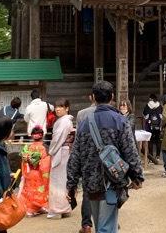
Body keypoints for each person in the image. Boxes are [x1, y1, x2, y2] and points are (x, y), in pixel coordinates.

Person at [67, 81, 144, 233]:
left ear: (94, 97)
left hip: (91, 182)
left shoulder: (83, 124)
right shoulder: (120, 121)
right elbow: (130, 151)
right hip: (113, 180)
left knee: (100, 225)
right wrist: (137, 176)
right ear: (112, 96)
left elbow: (75, 155)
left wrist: (71, 183)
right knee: (107, 228)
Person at [46, 98, 75, 219]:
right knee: (63, 180)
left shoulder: (64, 122)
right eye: (56, 107)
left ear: (67, 108)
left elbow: (57, 139)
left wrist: (50, 151)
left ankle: (57, 209)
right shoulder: (64, 121)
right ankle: (65, 208)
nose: (57, 109)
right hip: (64, 151)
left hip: (60, 151)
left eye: (61, 107)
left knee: (58, 180)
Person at [75, 95, 96, 233]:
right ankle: (110, 221)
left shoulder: (82, 114)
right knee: (108, 191)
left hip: (87, 158)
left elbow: (78, 140)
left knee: (88, 193)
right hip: (108, 160)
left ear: (91, 97)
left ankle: (86, 225)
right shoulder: (115, 113)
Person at [19, 126, 51, 216]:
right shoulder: (43, 148)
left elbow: (24, 160)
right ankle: (31, 210)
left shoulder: (28, 147)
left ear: (32, 136)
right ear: (42, 136)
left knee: (30, 190)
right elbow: (45, 163)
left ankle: (34, 209)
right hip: (39, 173)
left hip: (30, 172)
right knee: (39, 191)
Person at [142, 93, 163, 162]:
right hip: (158, 126)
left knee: (150, 140)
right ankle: (158, 156)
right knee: (158, 141)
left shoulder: (148, 105)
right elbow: (162, 115)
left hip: (149, 125)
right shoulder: (159, 105)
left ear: (150, 99)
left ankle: (151, 157)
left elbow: (144, 114)